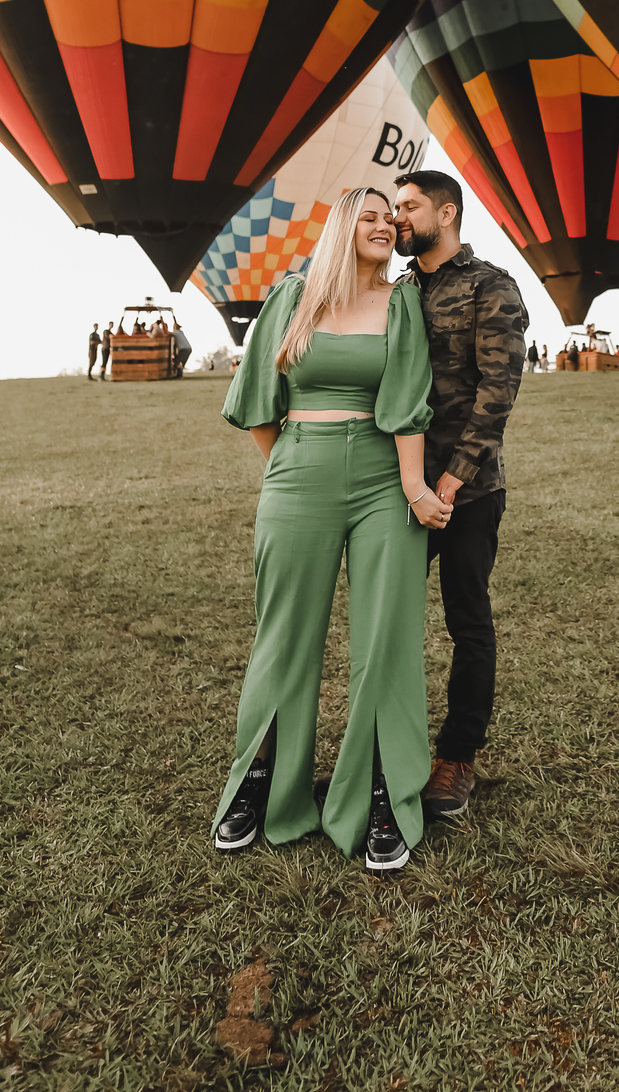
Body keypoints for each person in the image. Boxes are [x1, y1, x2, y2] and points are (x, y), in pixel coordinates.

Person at [211, 186, 447, 874]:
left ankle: (383, 795)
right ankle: (259, 786)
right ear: (343, 227)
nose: (384, 225)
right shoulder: (293, 296)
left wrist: (412, 486)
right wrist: (292, 467)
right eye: (368, 216)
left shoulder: (402, 301)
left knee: (386, 639)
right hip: (299, 475)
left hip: (383, 479)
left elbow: (407, 396)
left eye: (390, 217)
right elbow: (260, 400)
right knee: (284, 636)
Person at [392, 170, 527, 821]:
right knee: (388, 621)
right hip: (400, 490)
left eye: (409, 206)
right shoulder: (393, 293)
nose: (397, 217)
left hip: (467, 494)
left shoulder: (489, 286)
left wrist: (448, 481)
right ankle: (387, 745)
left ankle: (457, 756)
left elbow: (498, 390)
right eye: (394, 206)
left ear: (446, 213)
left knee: (467, 620)